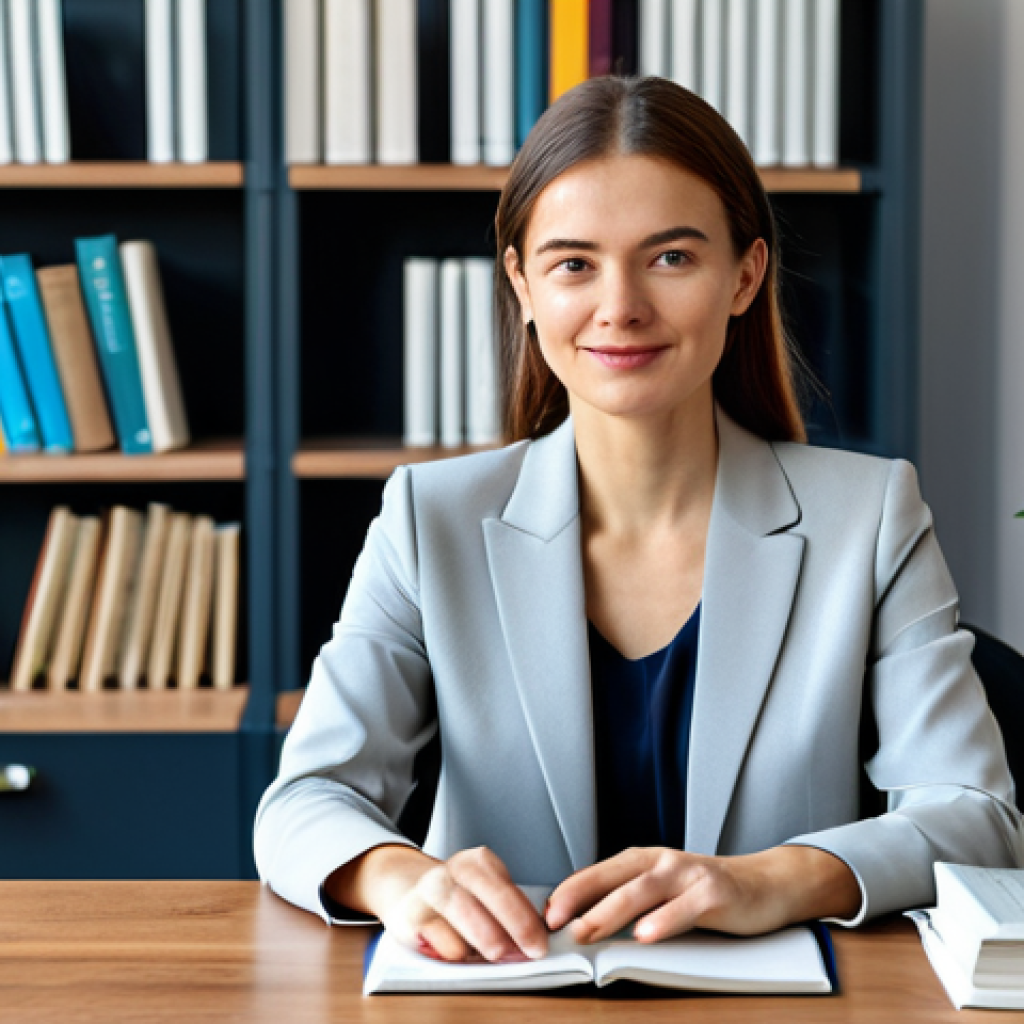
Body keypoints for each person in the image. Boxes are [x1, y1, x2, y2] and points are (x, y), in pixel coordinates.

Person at [254, 75, 1022, 965]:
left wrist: (768, 880)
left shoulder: (871, 517)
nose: (620, 306)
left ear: (744, 275)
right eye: (573, 263)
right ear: (522, 285)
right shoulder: (431, 521)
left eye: (670, 258)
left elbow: (975, 815)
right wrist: (401, 877)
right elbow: (305, 801)